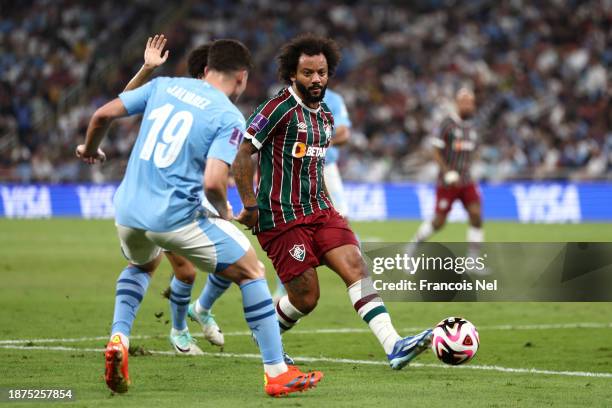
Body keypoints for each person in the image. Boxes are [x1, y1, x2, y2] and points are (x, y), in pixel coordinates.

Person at [76, 38, 322, 396]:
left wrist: (90, 148)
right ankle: (276, 372)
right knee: (251, 270)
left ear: (206, 70)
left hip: (127, 210)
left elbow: (102, 114)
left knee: (141, 267)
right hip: (174, 216)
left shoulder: (163, 85)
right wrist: (223, 212)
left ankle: (119, 338)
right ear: (241, 78)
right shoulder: (227, 115)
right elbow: (212, 182)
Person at [232, 34, 432, 370]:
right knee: (306, 298)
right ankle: (268, 331)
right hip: (281, 218)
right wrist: (250, 206)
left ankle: (394, 344)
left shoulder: (325, 116)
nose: (316, 79)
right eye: (308, 73)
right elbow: (242, 155)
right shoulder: (276, 109)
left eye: (321, 72)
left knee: (356, 265)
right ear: (293, 75)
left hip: (320, 211)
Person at [123, 35, 226, 351]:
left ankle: (201, 310)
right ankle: (180, 330)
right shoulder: (173, 94)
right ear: (205, 74)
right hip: (161, 197)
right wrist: (146, 69)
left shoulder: (217, 107)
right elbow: (124, 101)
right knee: (185, 269)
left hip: (191, 195)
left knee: (233, 258)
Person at [271, 87, 352, 301]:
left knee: (341, 221)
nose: (316, 78)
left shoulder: (334, 99)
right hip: (298, 169)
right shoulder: (285, 102)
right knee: (297, 226)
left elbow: (344, 133)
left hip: (326, 166)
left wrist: (320, 143)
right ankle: (285, 286)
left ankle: (354, 275)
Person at [409, 88, 484, 260]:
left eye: (470, 103)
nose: (468, 106)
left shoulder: (474, 127)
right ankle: (413, 245)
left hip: (466, 181)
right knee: (439, 222)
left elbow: (474, 150)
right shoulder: (447, 124)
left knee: (476, 215)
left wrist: (473, 166)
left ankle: (473, 260)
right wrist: (447, 172)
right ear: (457, 104)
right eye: (464, 102)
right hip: (447, 182)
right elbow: (436, 150)